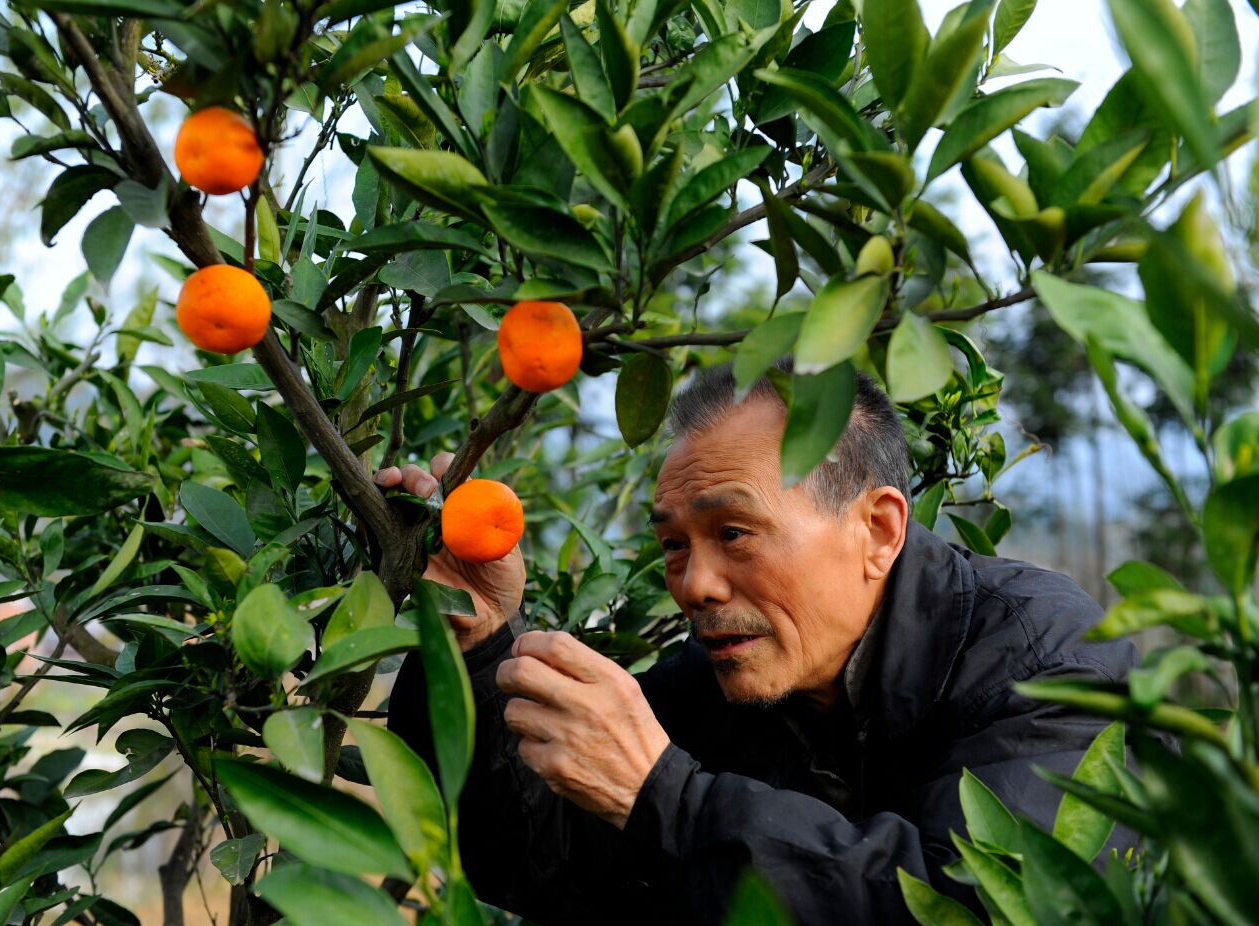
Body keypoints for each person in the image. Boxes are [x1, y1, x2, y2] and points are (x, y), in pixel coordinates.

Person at [379, 360, 1137, 925]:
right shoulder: (717, 684)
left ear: (877, 530)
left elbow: (975, 905)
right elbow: (542, 869)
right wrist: (476, 646)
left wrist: (669, 800)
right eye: (674, 545)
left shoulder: (1045, 657)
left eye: (734, 532)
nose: (695, 585)